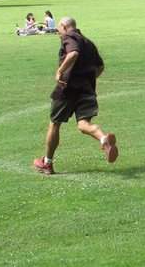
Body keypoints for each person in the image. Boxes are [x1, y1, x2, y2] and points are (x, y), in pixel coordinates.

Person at [33, 16, 118, 174]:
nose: (58, 32)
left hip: (67, 89)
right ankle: (103, 139)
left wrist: (60, 71)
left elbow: (73, 53)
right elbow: (100, 67)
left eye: (59, 28)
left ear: (64, 26)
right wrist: (86, 80)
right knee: (83, 124)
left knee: (55, 123)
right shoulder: (89, 43)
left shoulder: (69, 37)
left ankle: (47, 163)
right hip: (86, 90)